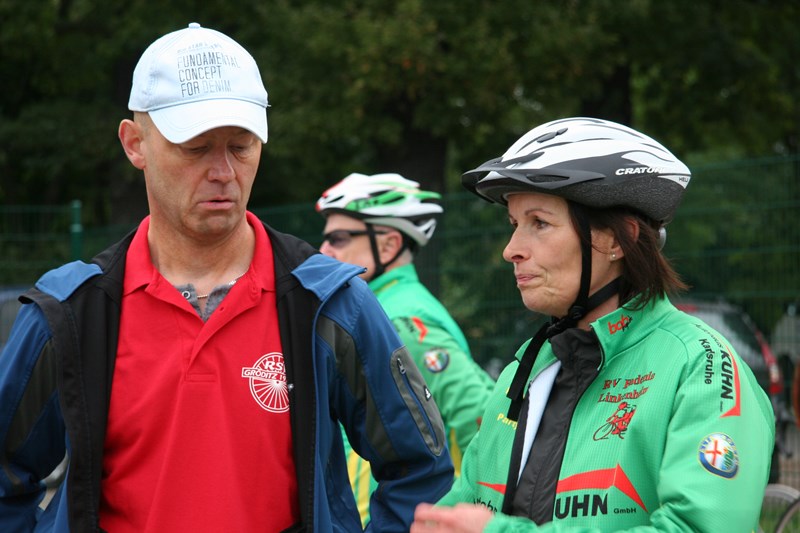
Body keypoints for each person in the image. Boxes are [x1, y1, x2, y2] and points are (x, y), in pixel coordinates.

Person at [0, 23, 453, 532]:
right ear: (134, 143)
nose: (223, 171)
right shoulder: (70, 312)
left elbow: (420, 471)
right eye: (196, 148)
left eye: (241, 146)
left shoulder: (330, 303)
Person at [410, 117, 775, 532]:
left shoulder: (699, 367)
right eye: (514, 225)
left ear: (617, 240)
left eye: (539, 223)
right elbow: (462, 508)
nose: (511, 250)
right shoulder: (524, 371)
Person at [315, 173, 495, 525]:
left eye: (338, 238)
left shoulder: (402, 319)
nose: (324, 251)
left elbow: (483, 417)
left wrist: (466, 515)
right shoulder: (385, 307)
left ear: (388, 246)